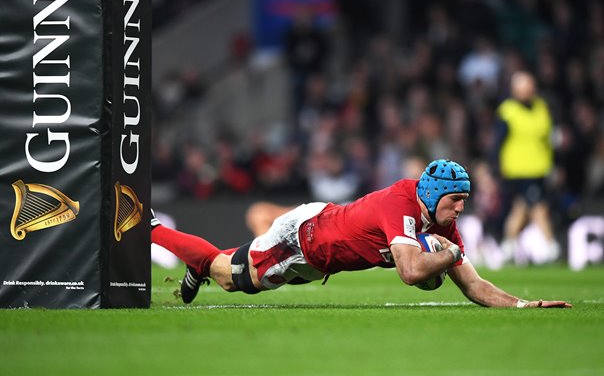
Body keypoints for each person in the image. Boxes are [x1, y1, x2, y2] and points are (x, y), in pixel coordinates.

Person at [151, 159, 571, 308]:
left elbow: (474, 285)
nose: (461, 209)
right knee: (227, 276)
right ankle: (150, 227)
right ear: (435, 194)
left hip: (320, 261)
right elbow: (410, 271)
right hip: (304, 237)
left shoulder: (442, 222)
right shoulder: (399, 204)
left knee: (234, 272)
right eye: (456, 199)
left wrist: (524, 305)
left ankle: (196, 267)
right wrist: (445, 256)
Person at [495, 71, 560, 264]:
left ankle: (507, 246)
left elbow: (549, 139)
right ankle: (551, 246)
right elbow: (498, 142)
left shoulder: (542, 108)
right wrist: (496, 166)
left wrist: (555, 164)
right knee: (538, 206)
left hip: (540, 168)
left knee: (521, 208)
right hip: (517, 170)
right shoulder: (507, 111)